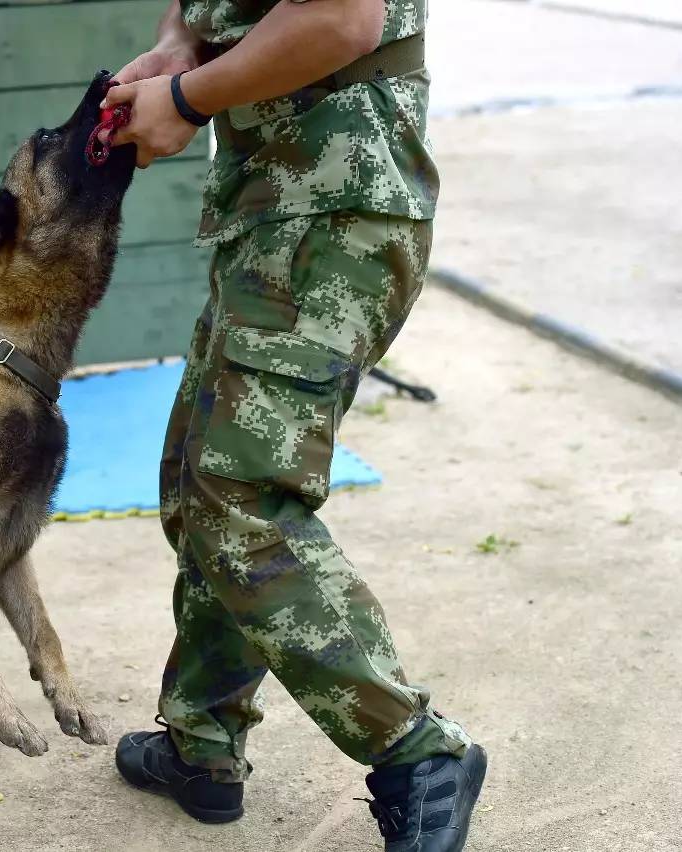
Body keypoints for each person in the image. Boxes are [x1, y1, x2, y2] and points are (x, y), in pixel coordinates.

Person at [101, 2, 487, 849]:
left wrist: (189, 97)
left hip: (335, 207)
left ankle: (417, 751)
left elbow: (342, 17)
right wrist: (177, 50)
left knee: (240, 496)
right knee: (199, 480)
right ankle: (202, 746)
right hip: (277, 206)